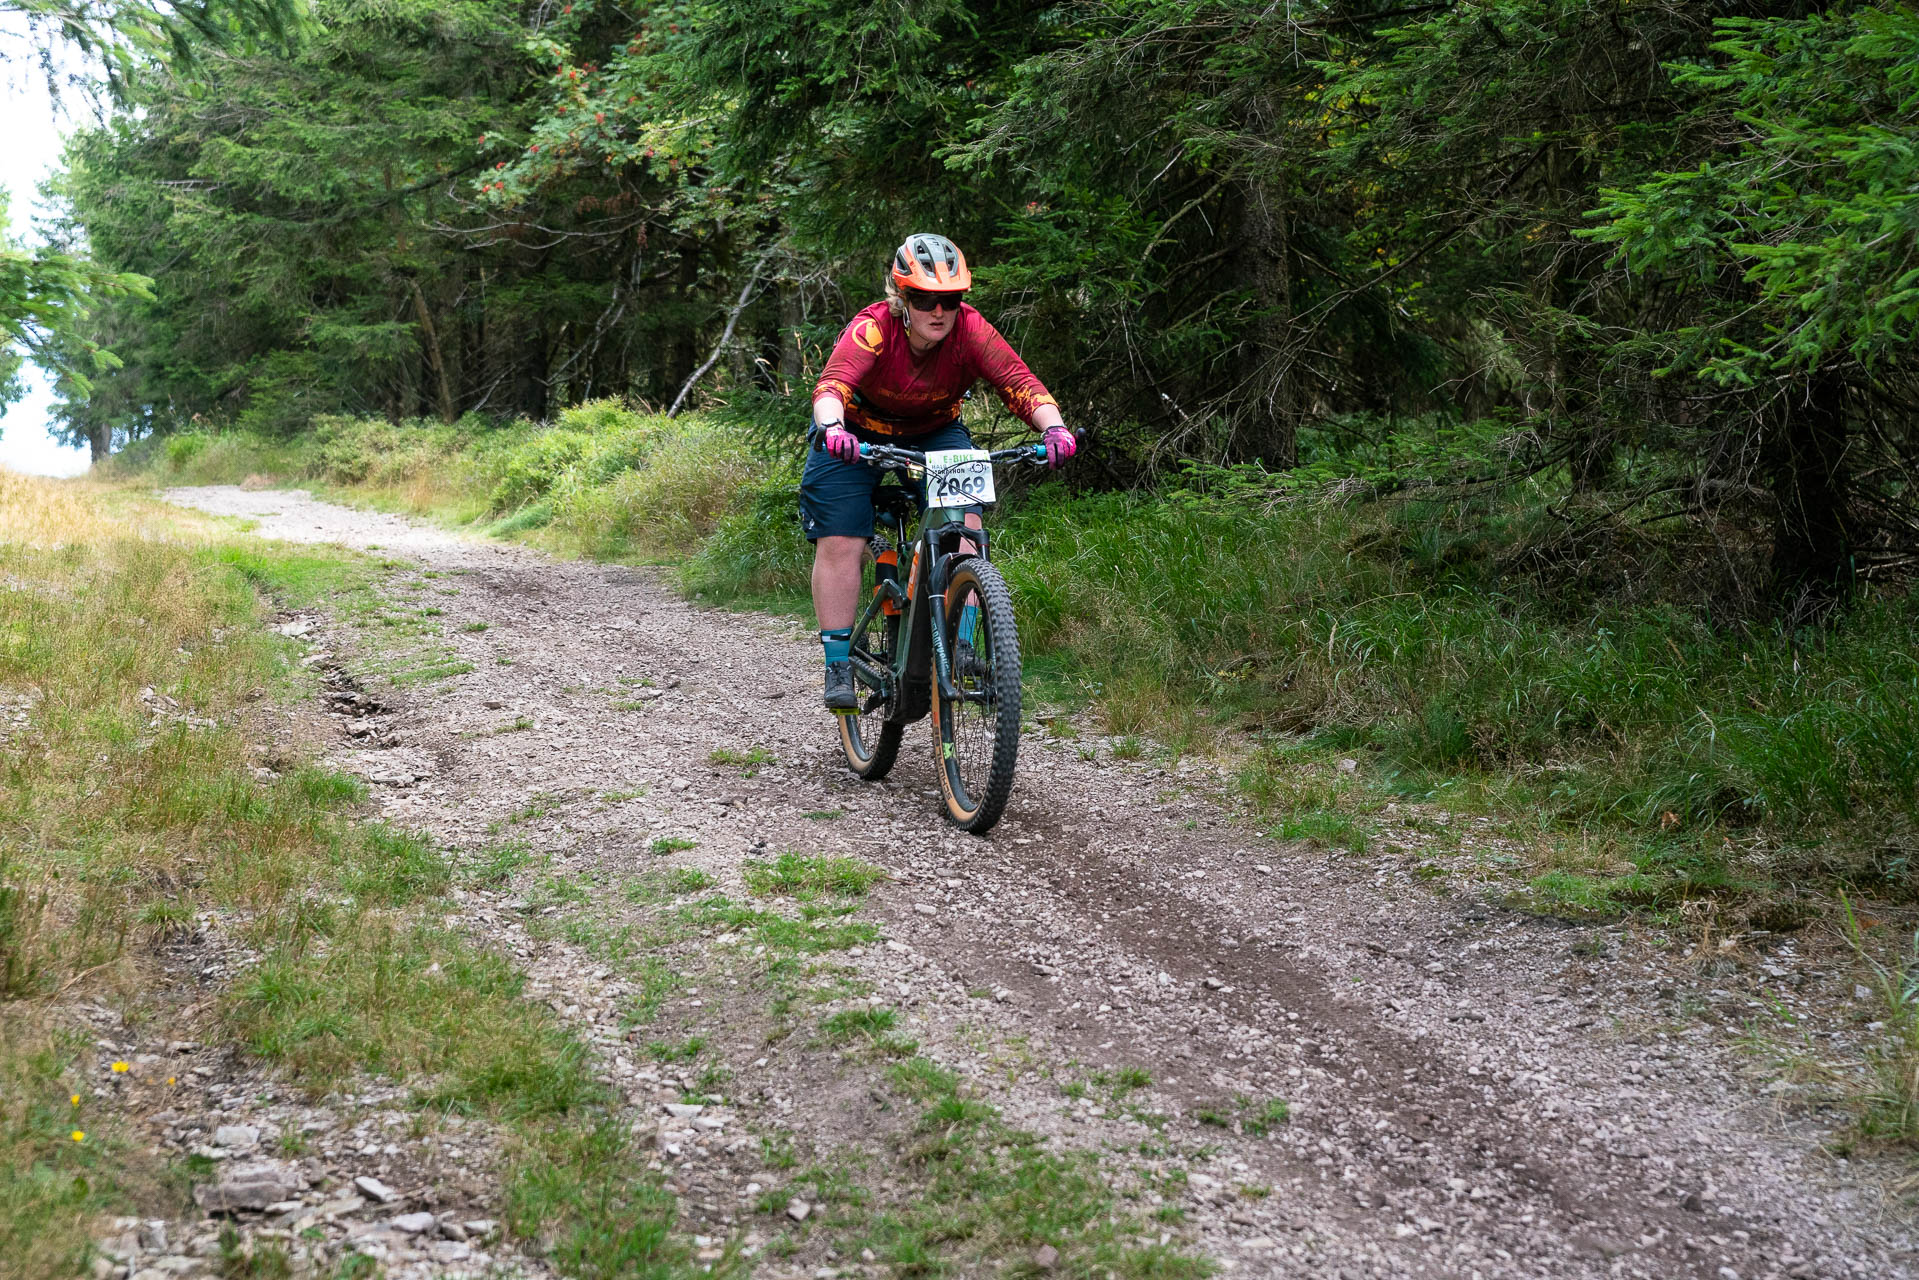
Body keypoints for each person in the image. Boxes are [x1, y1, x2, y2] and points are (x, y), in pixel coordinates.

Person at [805, 232, 1075, 710]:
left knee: (965, 523)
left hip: (934, 430)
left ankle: (963, 643)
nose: (939, 311)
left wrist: (1054, 429)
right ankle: (838, 662)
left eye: (950, 300)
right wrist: (832, 428)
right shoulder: (873, 329)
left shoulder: (970, 331)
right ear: (902, 297)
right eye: (924, 299)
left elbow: (1020, 383)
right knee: (842, 536)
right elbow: (833, 386)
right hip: (854, 432)